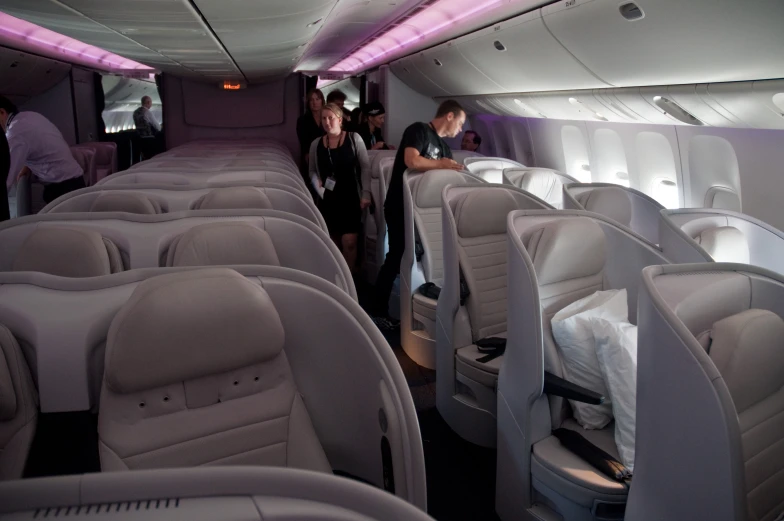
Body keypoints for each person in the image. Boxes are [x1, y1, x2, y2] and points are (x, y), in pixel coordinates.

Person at [371, 100, 466, 329]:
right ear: (449, 116)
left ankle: (418, 304)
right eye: (460, 123)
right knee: (396, 255)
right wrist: (441, 165)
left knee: (425, 259)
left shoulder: (444, 148)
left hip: (423, 213)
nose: (460, 130)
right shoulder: (419, 130)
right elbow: (411, 160)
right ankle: (377, 311)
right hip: (399, 205)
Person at [309, 103, 371, 273]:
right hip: (327, 199)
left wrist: (366, 193)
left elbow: (365, 167)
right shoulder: (316, 144)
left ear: (339, 119)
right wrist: (317, 185)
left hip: (350, 197)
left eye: (330, 118)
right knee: (333, 245)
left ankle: (349, 279)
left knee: (350, 242)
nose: (327, 122)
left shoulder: (354, 138)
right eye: (324, 118)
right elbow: (312, 171)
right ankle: (336, 279)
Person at [0, 95, 85, 204]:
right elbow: (41, 146)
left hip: (63, 190)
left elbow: (6, 177)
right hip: (76, 183)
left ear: (2, 112)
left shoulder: (15, 133)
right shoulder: (29, 116)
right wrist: (28, 166)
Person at [296, 88, 326, 182]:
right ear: (308, 103)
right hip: (310, 157)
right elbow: (303, 141)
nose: (314, 102)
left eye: (317, 99)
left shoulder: (327, 118)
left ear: (322, 101)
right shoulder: (303, 120)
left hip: (326, 156)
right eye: (311, 100)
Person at [133, 96, 162, 160]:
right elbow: (157, 127)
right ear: (148, 102)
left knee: (144, 158)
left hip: (140, 139)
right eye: (151, 102)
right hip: (150, 139)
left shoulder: (135, 112)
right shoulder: (147, 112)